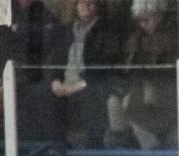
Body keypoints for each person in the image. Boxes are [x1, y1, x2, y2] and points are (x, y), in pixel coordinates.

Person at [42, 0, 121, 148]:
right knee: (42, 94)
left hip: (92, 84)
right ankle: (57, 151)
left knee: (92, 97)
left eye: (91, 1)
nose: (86, 4)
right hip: (64, 84)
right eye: (81, 1)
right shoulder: (65, 30)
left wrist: (77, 86)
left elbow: (105, 65)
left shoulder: (107, 30)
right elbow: (53, 60)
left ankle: (92, 154)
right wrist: (55, 81)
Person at [105, 0, 179, 150]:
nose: (142, 24)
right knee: (113, 102)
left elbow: (170, 70)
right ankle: (122, 146)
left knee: (132, 102)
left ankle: (150, 146)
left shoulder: (171, 37)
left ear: (159, 16)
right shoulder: (135, 38)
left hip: (162, 86)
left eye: (146, 19)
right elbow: (126, 67)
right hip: (134, 84)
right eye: (139, 20)